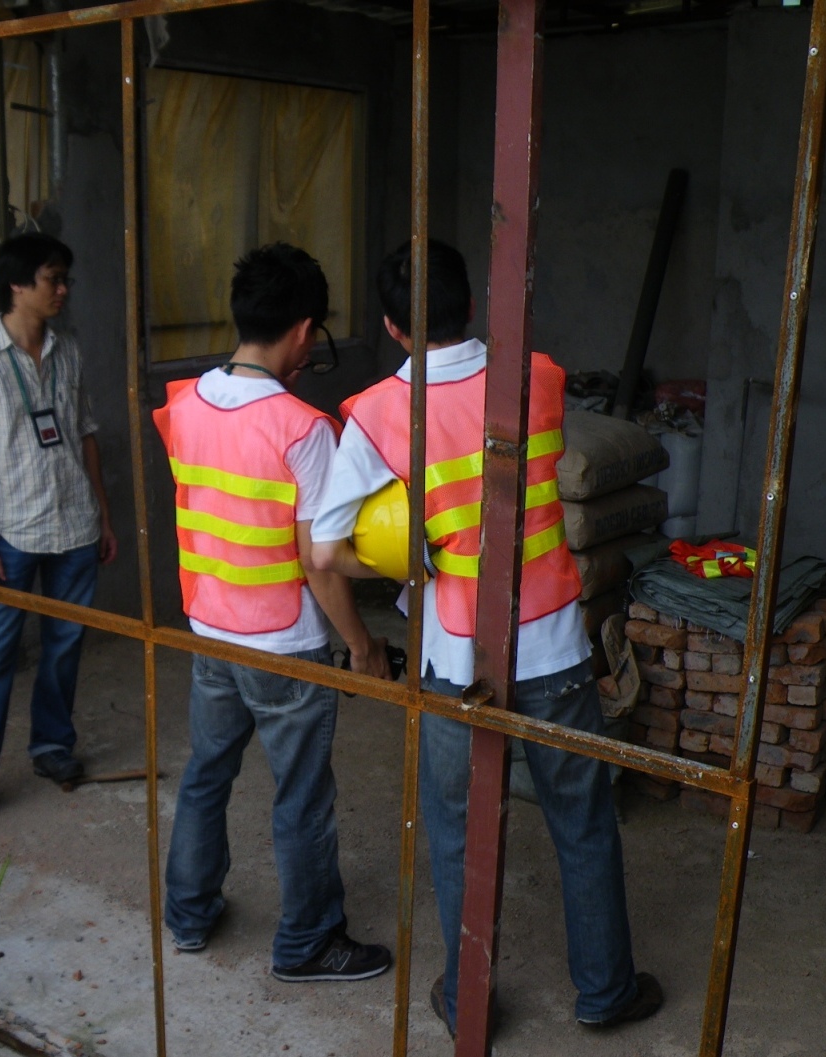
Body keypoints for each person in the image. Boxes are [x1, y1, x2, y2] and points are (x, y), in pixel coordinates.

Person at [311, 239, 661, 1035]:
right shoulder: (536, 377)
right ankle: (606, 992)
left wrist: (412, 556)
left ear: (392, 327)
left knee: (456, 832)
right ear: (470, 305)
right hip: (554, 645)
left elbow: (325, 550)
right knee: (583, 822)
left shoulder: (379, 413)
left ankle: (469, 1002)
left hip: (453, 657)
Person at [153, 243, 393, 982]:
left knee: (206, 773)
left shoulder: (184, 403)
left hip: (210, 628)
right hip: (285, 645)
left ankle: (188, 913)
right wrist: (361, 645)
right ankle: (308, 942)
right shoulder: (302, 428)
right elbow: (320, 561)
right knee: (302, 798)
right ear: (303, 330)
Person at [0, 232, 117, 837]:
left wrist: (103, 515)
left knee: (65, 646)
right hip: (10, 531)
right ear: (17, 285)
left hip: (73, 524)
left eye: (65, 279)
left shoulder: (67, 351)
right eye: (52, 279)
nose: (63, 290)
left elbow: (85, 434)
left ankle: (51, 745)